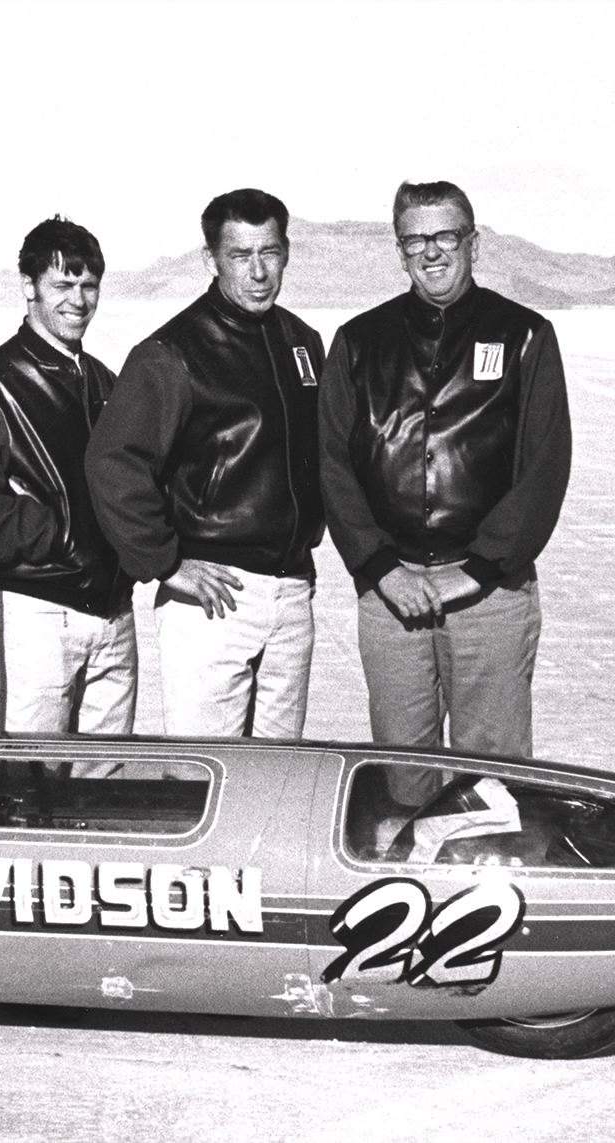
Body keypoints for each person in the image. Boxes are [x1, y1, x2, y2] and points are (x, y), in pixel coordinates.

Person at [319, 180, 571, 797]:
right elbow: (331, 463)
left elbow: (545, 463)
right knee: (402, 776)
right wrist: (380, 565)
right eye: (415, 240)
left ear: (473, 243)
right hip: (392, 596)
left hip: (489, 595)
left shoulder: (524, 335)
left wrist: (481, 567)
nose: (431, 252)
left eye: (445, 236)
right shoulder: (358, 341)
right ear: (400, 250)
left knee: (496, 782)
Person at [87, 188, 324, 739]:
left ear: (287, 252)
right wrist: (165, 563)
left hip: (291, 594)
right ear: (210, 260)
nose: (259, 271)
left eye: (270, 252)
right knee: (208, 776)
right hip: (214, 596)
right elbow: (114, 463)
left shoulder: (302, 343)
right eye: (241, 256)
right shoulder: (172, 354)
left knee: (277, 780)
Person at [0, 217, 135, 735]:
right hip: (37, 614)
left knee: (102, 782)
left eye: (89, 286)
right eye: (62, 284)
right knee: (26, 780)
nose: (78, 300)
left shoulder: (104, 382)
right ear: (29, 287)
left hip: (113, 614)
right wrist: (54, 535)